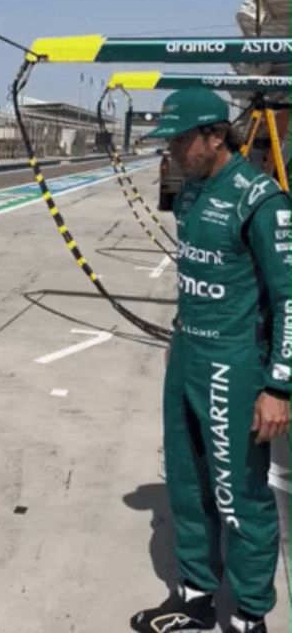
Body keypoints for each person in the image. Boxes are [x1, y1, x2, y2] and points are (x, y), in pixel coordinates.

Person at [130, 88, 291, 633]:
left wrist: (279, 388)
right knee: (186, 481)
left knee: (238, 494)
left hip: (234, 364)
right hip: (188, 353)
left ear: (215, 135)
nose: (171, 151)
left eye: (179, 140)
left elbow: (290, 298)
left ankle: (249, 617)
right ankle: (196, 597)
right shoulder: (193, 192)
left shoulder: (260, 200)